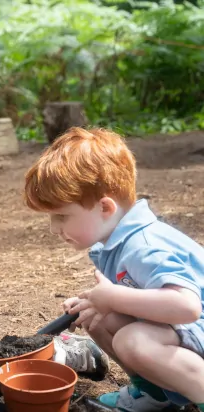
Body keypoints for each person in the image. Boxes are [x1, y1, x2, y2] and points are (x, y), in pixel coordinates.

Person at [24, 127, 204, 411]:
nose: (54, 228)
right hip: (187, 332)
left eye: (61, 216)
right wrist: (99, 302)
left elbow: (187, 307)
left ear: (105, 207)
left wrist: (113, 298)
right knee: (98, 318)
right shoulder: (117, 243)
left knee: (134, 341)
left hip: (195, 325)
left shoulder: (143, 246)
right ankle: (155, 394)